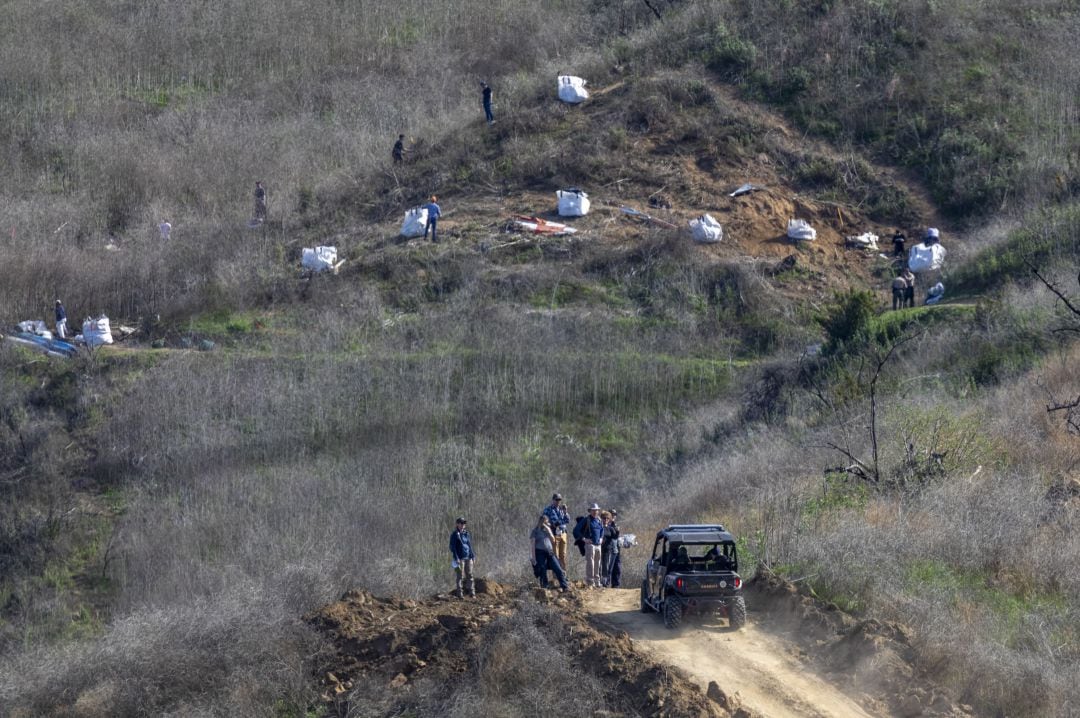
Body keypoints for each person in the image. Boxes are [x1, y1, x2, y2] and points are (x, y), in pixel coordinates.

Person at [531, 516, 569, 592]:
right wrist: (534, 558)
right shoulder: (535, 531)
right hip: (540, 553)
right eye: (546, 522)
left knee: (558, 568)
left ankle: (565, 586)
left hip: (550, 552)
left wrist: (548, 529)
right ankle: (545, 587)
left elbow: (553, 540)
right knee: (542, 569)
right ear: (542, 522)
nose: (548, 523)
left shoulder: (548, 530)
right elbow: (532, 545)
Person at [542, 493, 570, 578]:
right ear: (553, 500)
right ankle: (556, 576)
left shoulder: (562, 510)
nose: (558, 502)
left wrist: (565, 512)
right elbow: (544, 522)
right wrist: (551, 526)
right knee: (555, 556)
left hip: (563, 533)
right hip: (554, 534)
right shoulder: (548, 509)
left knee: (563, 555)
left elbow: (568, 520)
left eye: (559, 500)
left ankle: (564, 575)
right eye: (556, 500)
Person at [449, 517, 475, 598]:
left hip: (468, 557)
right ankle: (460, 594)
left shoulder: (466, 533)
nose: (463, 525)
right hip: (459, 558)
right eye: (461, 523)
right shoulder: (454, 534)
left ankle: (472, 593)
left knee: (470, 575)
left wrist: (472, 555)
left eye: (464, 523)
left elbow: (469, 545)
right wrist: (456, 557)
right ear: (457, 524)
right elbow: (452, 547)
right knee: (460, 576)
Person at [582, 503, 603, 588]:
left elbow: (602, 531)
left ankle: (597, 581)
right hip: (590, 545)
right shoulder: (586, 520)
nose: (595, 512)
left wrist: (601, 538)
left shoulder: (599, 520)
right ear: (590, 511)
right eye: (593, 510)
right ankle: (590, 582)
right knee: (590, 563)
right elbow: (576, 531)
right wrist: (584, 539)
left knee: (597, 563)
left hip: (598, 545)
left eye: (596, 510)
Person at [600, 510, 620, 588]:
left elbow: (615, 537)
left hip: (608, 550)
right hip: (599, 549)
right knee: (600, 566)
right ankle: (600, 582)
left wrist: (618, 531)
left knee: (607, 567)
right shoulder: (599, 527)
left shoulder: (610, 528)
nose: (605, 520)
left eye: (607, 518)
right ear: (601, 518)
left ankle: (605, 583)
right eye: (604, 518)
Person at [608, 509, 623, 588]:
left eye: (614, 515)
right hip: (609, 549)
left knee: (617, 567)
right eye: (612, 514)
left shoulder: (615, 525)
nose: (613, 516)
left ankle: (616, 585)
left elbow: (616, 536)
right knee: (609, 567)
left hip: (617, 548)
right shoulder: (606, 524)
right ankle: (606, 584)